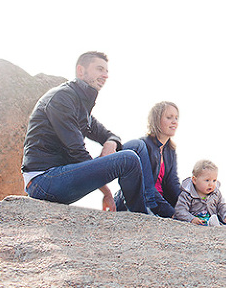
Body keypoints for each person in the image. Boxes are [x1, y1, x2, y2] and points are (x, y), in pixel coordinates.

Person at [21, 51, 146, 213]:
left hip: (62, 176)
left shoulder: (81, 105)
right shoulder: (62, 98)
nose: (105, 75)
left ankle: (124, 208)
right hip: (44, 180)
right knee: (128, 159)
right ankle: (141, 217)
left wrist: (111, 142)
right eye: (100, 69)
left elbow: (107, 134)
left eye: (107, 71)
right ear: (81, 71)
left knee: (137, 147)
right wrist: (106, 193)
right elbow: (77, 152)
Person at [113, 101, 182, 217]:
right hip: (144, 203)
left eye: (176, 118)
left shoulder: (170, 150)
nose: (174, 122)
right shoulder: (143, 146)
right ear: (156, 120)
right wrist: (171, 213)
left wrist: (186, 205)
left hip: (162, 203)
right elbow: (146, 187)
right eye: (169, 118)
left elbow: (172, 183)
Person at [174, 159, 226, 226]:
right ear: (194, 180)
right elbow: (180, 210)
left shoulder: (216, 193)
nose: (211, 184)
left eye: (214, 180)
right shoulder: (187, 195)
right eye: (207, 180)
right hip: (196, 222)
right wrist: (191, 219)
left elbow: (222, 206)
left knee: (218, 221)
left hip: (211, 220)